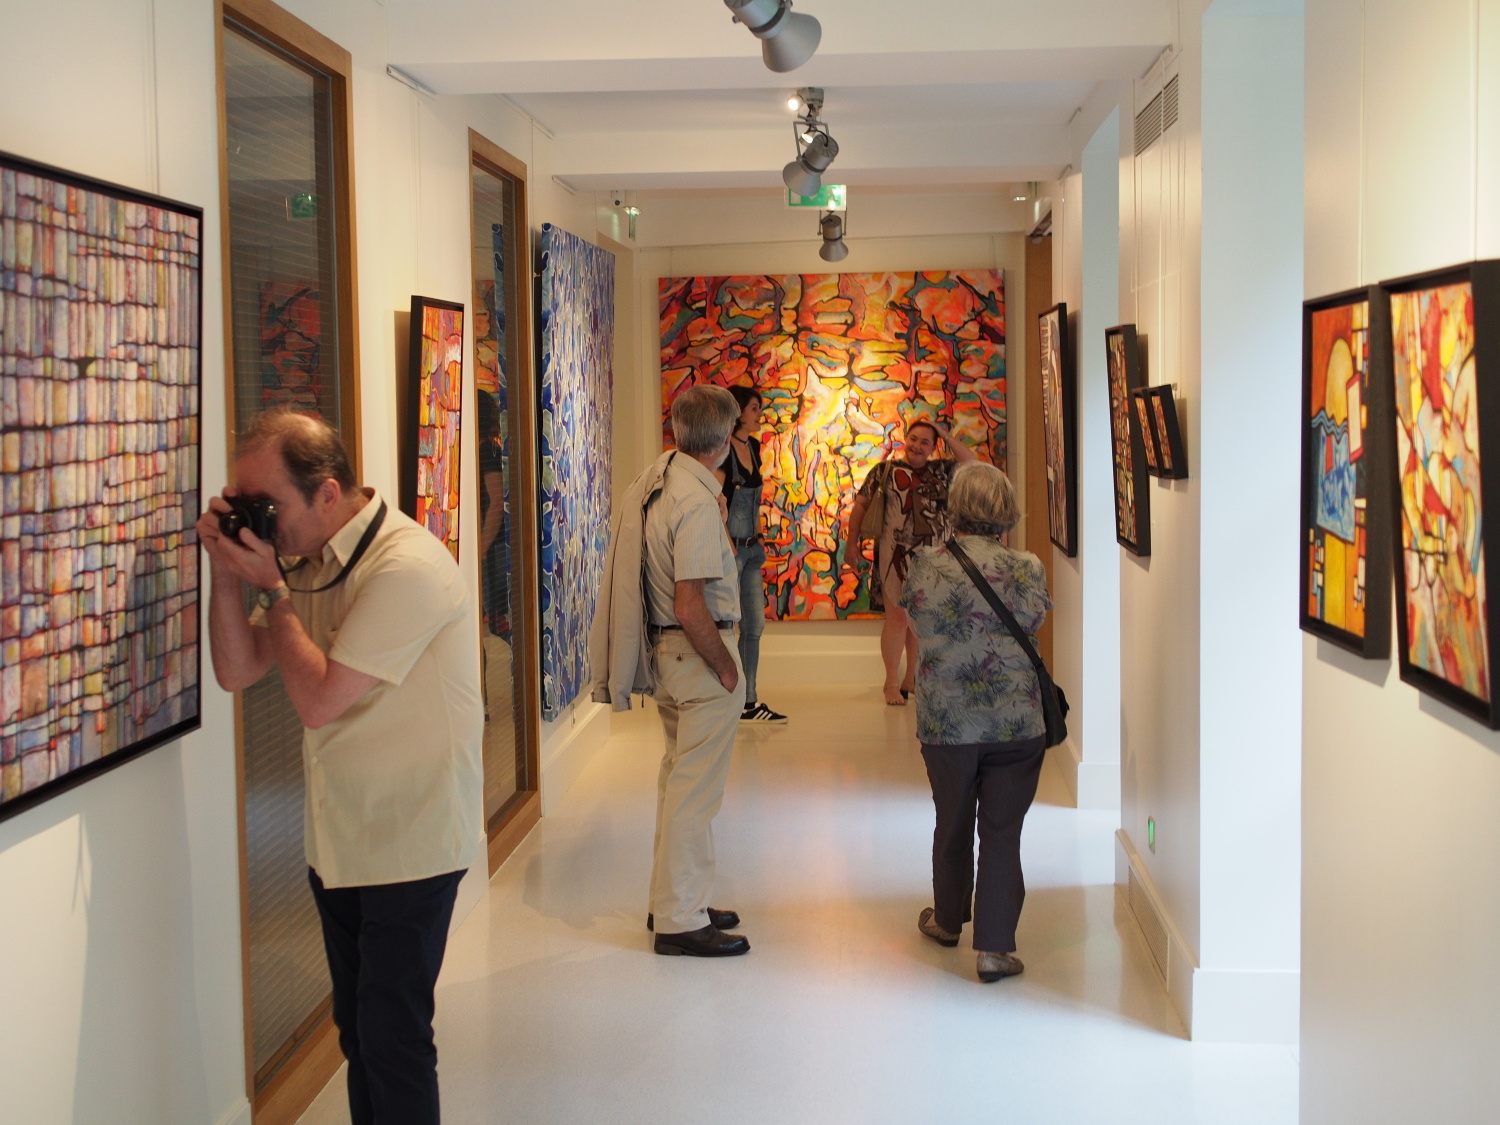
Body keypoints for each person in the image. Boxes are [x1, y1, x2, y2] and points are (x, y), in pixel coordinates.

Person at [196, 410, 482, 1123]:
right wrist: (228, 573)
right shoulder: (309, 558)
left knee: (393, 1039)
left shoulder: (406, 566)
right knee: (359, 1033)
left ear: (326, 492)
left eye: (267, 505)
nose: (259, 522)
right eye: (244, 503)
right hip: (340, 839)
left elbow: (319, 701)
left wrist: (272, 590)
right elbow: (236, 670)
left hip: (412, 841)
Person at [588, 384, 751, 957]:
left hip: (666, 656)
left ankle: (673, 902)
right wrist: (727, 669)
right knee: (694, 794)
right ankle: (681, 920)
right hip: (697, 657)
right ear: (724, 438)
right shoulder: (696, 502)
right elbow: (690, 604)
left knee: (677, 782)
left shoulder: (660, 480)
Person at [899, 461, 1051, 984]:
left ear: (956, 508)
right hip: (1016, 722)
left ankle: (946, 921)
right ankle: (994, 949)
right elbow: (1034, 620)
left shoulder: (925, 565)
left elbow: (917, 621)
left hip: (947, 723)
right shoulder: (1027, 566)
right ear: (1006, 509)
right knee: (1003, 831)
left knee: (953, 818)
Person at [845, 417, 976, 706]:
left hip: (933, 557)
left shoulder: (942, 471)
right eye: (913, 439)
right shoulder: (884, 471)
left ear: (933, 447)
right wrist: (851, 543)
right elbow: (860, 507)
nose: (917, 446)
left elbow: (972, 462)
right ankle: (891, 682)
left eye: (925, 442)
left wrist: (943, 433)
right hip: (895, 553)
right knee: (897, 618)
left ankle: (911, 680)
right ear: (906, 439)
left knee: (920, 617)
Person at [717, 385, 788, 725]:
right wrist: (729, 546)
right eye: (755, 409)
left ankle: (748, 701)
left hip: (752, 551)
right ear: (738, 413)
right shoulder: (722, 451)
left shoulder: (754, 448)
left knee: (754, 624)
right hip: (730, 551)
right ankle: (723, 699)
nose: (760, 415)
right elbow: (715, 501)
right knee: (723, 623)